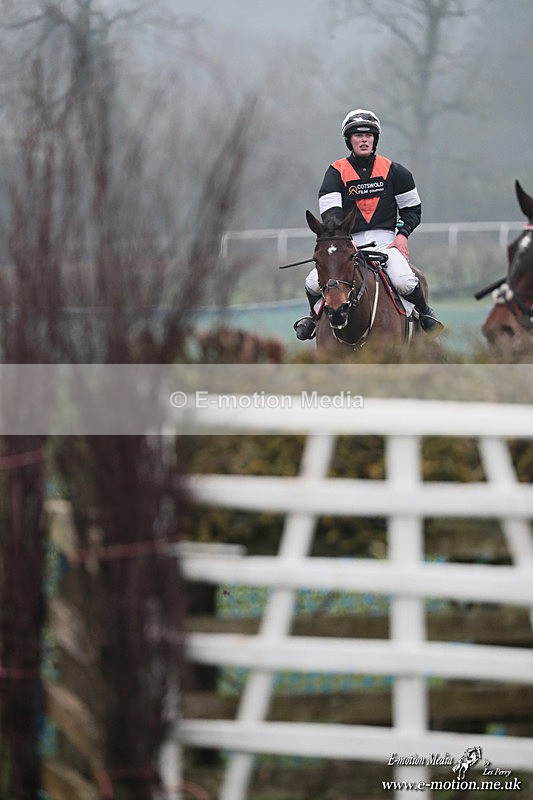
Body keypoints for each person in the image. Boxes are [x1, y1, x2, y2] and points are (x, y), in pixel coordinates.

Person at [294, 108, 442, 340]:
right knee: (312, 282)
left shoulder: (396, 171)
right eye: (358, 135)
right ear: (349, 140)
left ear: (375, 139)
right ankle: (313, 318)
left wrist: (402, 235)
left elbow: (412, 209)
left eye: (368, 135)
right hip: (348, 243)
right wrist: (344, 241)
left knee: (404, 281)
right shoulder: (335, 172)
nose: (364, 140)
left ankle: (425, 315)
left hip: (386, 243)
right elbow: (331, 215)